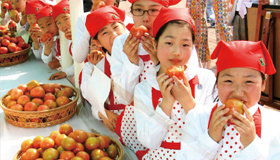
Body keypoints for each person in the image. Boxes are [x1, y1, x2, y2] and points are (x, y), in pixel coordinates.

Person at [133, 7, 217, 159]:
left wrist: (188, 102)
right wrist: (165, 104)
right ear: (155, 44)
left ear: (193, 47)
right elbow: (148, 141)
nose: (177, 51)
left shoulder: (205, 79)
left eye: (185, 45)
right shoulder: (144, 88)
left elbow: (212, 133)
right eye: (169, 43)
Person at [176, 40, 280, 159]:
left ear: (263, 84)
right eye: (228, 81)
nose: (237, 92)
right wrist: (210, 139)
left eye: (249, 82)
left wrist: (252, 144)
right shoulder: (198, 117)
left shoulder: (274, 123)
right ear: (217, 83)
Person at [81, 6, 127, 134]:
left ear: (125, 27)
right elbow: (91, 97)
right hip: (112, 127)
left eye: (116, 27)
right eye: (105, 32)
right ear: (97, 42)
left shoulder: (143, 60)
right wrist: (103, 113)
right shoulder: (99, 66)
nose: (114, 35)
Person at [49, 0, 74, 80]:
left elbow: (84, 61)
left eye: (66, 18)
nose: (63, 25)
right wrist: (65, 73)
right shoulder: (69, 38)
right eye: (58, 23)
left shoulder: (85, 35)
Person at [36, 5, 61, 70]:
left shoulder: (65, 36)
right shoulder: (50, 39)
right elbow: (46, 61)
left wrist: (60, 63)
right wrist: (47, 47)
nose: (46, 29)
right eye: (42, 27)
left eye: (49, 24)